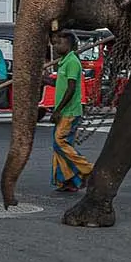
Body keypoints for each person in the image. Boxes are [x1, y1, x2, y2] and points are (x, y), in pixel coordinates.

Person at [49, 33, 93, 192]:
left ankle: (87, 170)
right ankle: (69, 180)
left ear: (69, 44)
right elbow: (60, 83)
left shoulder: (72, 62)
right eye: (55, 43)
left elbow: (71, 87)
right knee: (58, 145)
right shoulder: (63, 62)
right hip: (64, 111)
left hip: (69, 112)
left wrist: (58, 110)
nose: (55, 46)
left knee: (61, 142)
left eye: (59, 43)